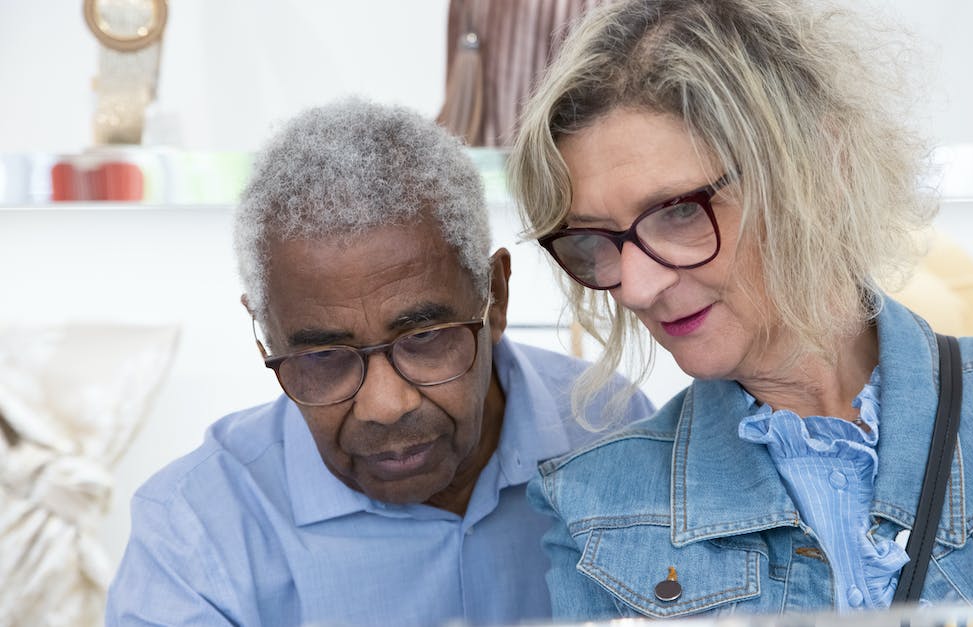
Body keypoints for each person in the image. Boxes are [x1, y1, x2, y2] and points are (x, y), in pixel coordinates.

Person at [507, 0, 973, 622]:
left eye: (680, 212)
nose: (634, 285)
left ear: (823, 168)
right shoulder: (598, 511)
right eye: (598, 239)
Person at [105, 98, 654, 626]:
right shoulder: (192, 533)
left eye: (425, 336)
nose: (385, 406)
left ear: (497, 297)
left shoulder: (615, 430)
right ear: (264, 335)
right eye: (323, 356)